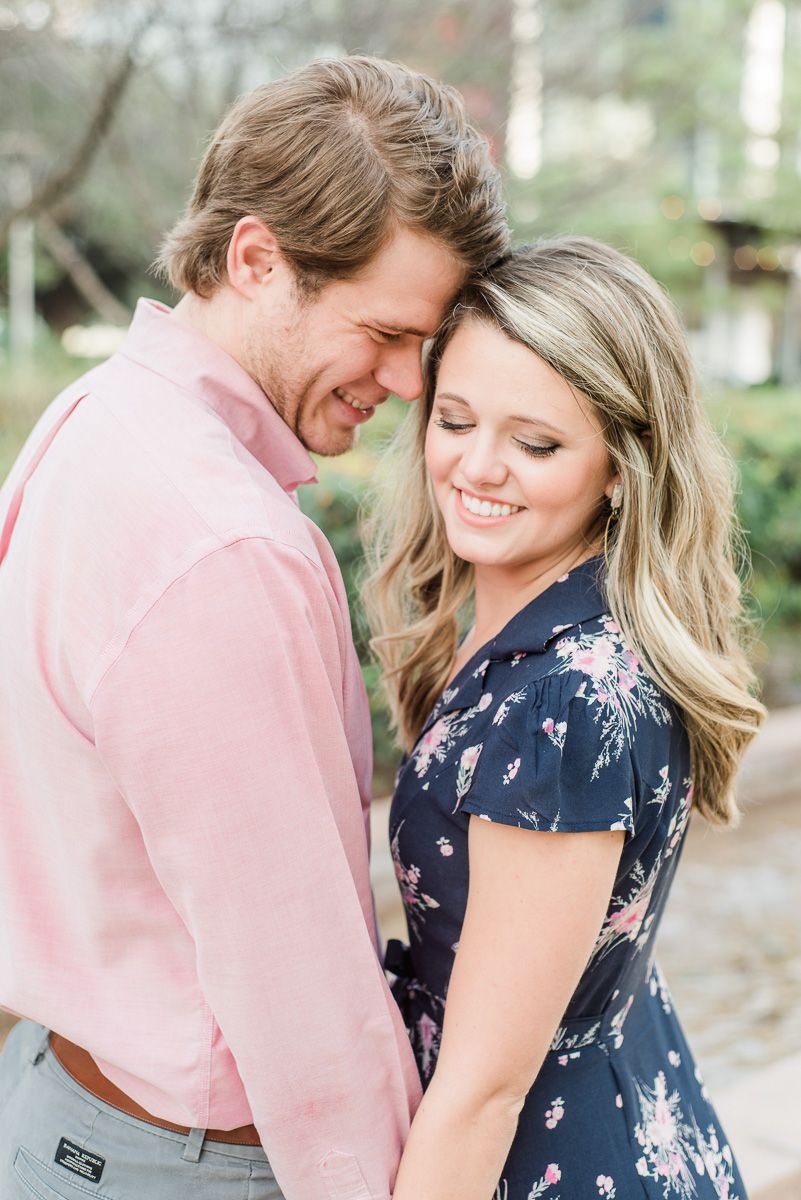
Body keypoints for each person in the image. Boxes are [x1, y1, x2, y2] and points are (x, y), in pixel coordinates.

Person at [0, 55, 508, 1200]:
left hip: (65, 1105)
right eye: (383, 333)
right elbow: (302, 998)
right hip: (182, 1164)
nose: (410, 382)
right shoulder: (224, 543)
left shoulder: (87, 423)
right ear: (255, 257)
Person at [364, 237, 765, 1200]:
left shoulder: (563, 703)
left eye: (536, 443)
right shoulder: (543, 632)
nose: (478, 466)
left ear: (620, 467)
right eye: (454, 420)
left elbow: (484, 1089)